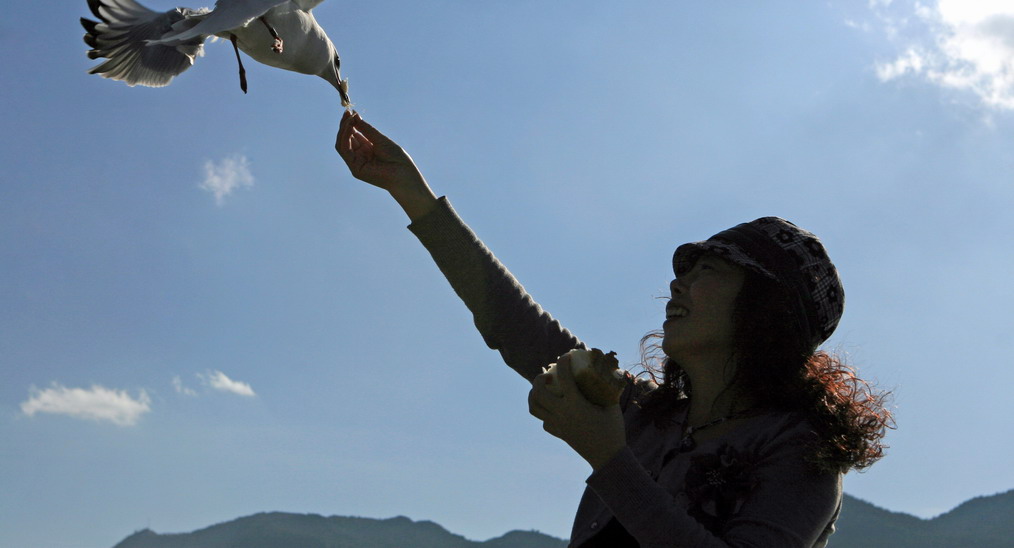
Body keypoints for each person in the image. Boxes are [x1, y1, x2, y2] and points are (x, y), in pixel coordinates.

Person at [335, 110, 893, 548]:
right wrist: (411, 191)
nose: (677, 286)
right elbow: (515, 324)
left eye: (709, 272)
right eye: (684, 270)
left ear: (765, 312)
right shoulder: (644, 415)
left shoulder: (801, 450)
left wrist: (609, 458)